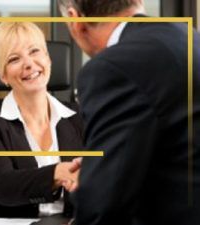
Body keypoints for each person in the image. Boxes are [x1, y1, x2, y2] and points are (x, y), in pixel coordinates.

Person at [58, 0, 200, 224]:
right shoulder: (189, 37)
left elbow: (101, 205)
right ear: (138, 1)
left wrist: (94, 177)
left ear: (76, 21)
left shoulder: (112, 67)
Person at [0, 22, 83, 217]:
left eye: (34, 51)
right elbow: (1, 185)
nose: (29, 63)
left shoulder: (81, 116)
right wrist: (57, 173)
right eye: (14, 59)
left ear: (48, 58)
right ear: (2, 75)